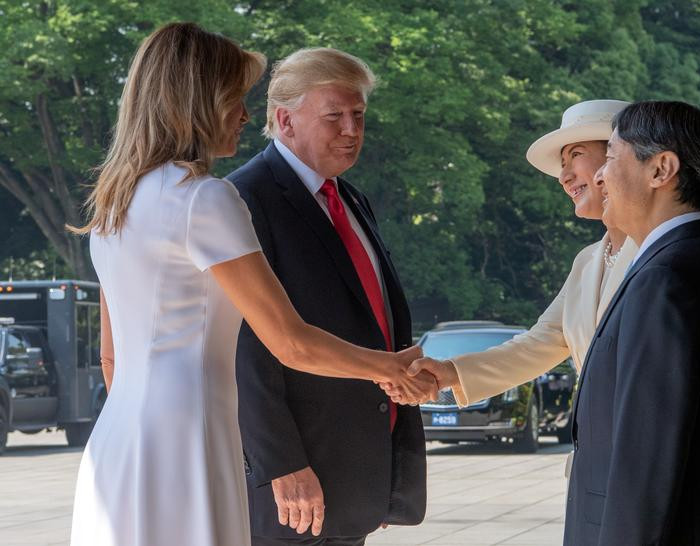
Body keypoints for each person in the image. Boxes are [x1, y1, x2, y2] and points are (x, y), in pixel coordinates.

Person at [67, 24, 435, 546]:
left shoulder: (114, 202)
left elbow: (110, 358)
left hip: (121, 439)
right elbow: (289, 342)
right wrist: (390, 368)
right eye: (235, 99)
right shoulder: (206, 198)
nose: (244, 115)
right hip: (191, 437)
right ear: (196, 102)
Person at [228, 47, 426, 546]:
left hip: (355, 474)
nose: (351, 130)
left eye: (358, 115)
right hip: (296, 484)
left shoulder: (350, 198)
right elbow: (246, 349)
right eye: (334, 115)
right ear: (285, 120)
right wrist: (282, 464)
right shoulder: (244, 199)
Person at [563, 101, 700, 545]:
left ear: (661, 169)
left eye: (610, 157)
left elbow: (644, 460)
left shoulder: (666, 278)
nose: (598, 176)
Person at [384, 99, 636, 426]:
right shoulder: (587, 262)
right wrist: (448, 373)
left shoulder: (663, 255)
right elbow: (537, 344)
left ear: (622, 158)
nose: (563, 176)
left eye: (576, 155)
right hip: (596, 451)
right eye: (562, 163)